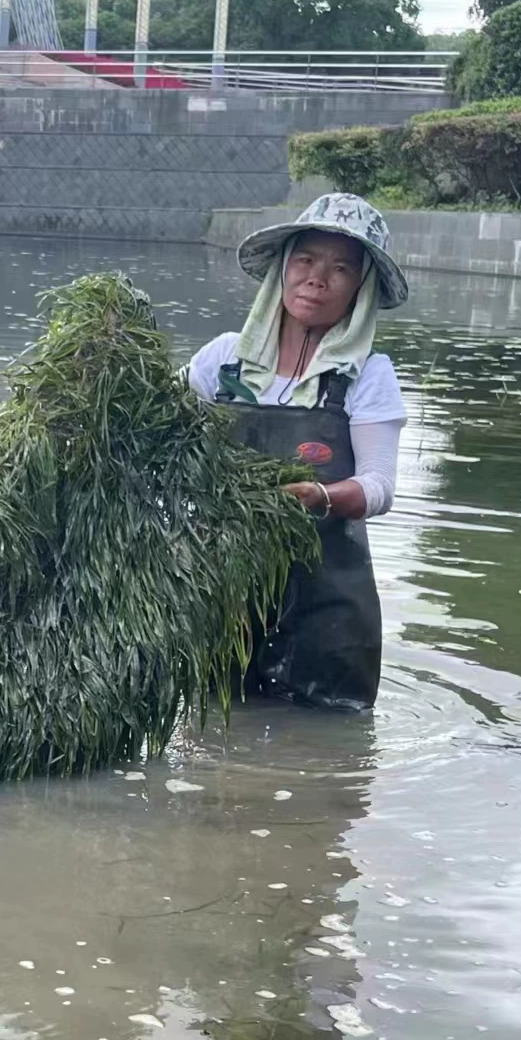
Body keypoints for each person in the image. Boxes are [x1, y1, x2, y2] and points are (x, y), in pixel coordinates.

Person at [185, 192, 410, 712]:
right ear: (283, 269)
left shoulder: (368, 376)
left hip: (328, 609)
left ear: (360, 289)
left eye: (341, 269)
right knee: (215, 736)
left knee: (325, 760)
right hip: (225, 594)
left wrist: (321, 496)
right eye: (305, 260)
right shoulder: (222, 363)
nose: (317, 278)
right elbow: (158, 430)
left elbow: (379, 486)